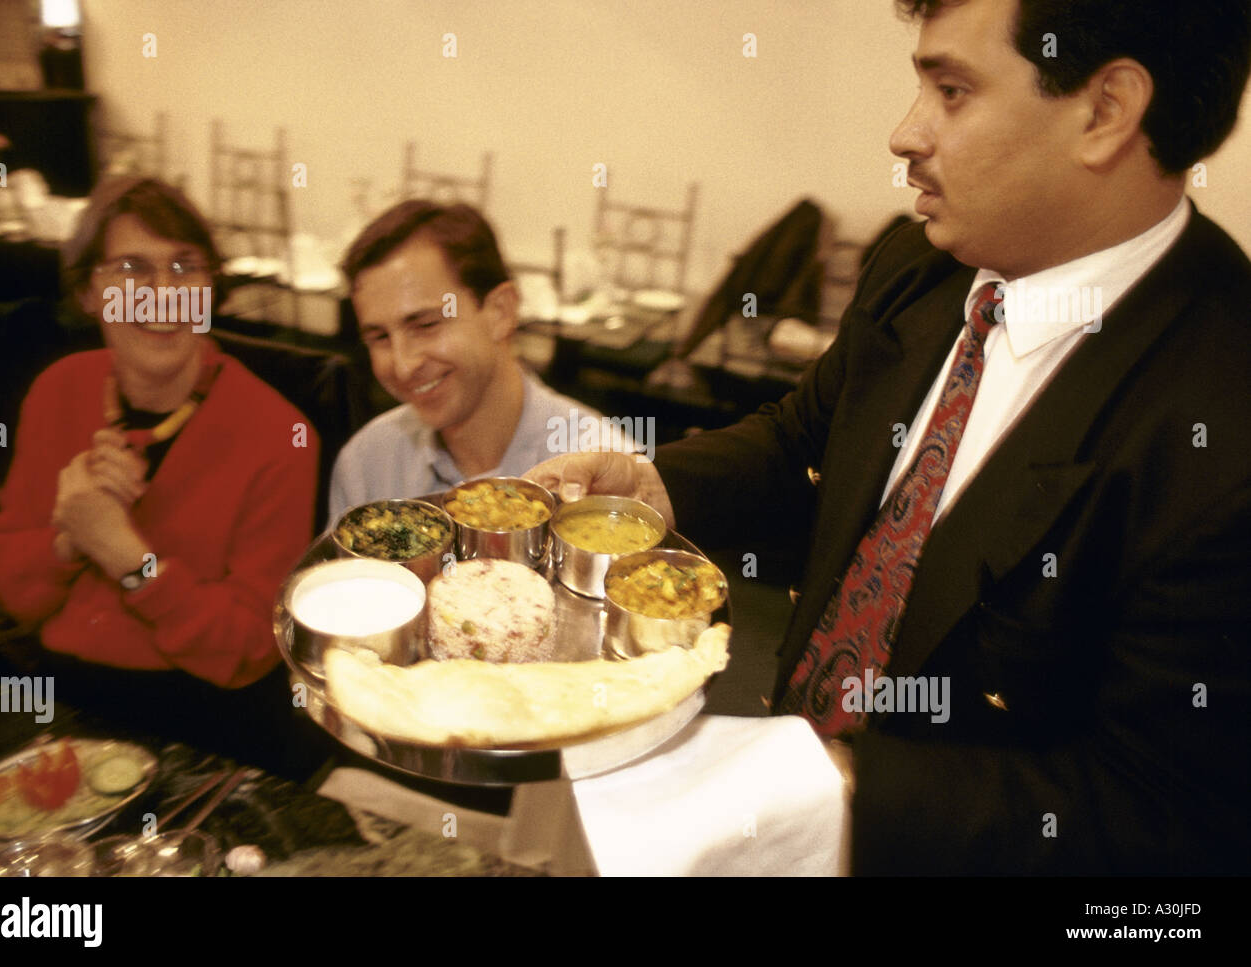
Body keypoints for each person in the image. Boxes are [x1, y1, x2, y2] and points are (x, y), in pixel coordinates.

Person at [528, 0, 1251, 874]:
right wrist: (658, 490)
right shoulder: (920, 271)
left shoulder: (1216, 412)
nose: (904, 134)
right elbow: (807, 449)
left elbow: (1164, 819)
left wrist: (839, 789)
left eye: (952, 90)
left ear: (1105, 112)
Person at [0, 176, 321, 773]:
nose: (162, 295)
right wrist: (68, 539)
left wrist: (131, 560)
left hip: (204, 728)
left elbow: (247, 649)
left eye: (186, 268)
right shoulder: (59, 390)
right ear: (87, 292)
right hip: (60, 703)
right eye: (131, 269)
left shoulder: (280, 436)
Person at [328, 201, 631, 522]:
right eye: (380, 337)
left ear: (501, 312)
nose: (403, 366)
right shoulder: (366, 462)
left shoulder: (604, 472)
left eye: (426, 325)